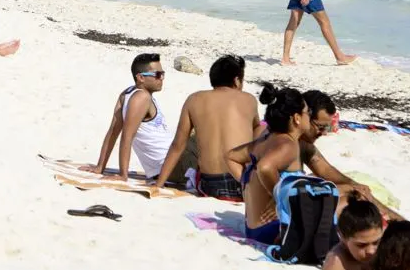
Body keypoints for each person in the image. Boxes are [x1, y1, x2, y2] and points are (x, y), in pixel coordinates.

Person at [155, 55, 260, 200]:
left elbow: (178, 145)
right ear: (236, 80)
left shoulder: (194, 99)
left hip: (210, 186)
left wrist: (159, 184)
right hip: (242, 184)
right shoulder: (249, 100)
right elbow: (258, 138)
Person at [83, 53, 196, 184]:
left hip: (172, 163)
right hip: (173, 167)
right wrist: (122, 175)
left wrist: (100, 166)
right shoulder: (142, 98)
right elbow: (127, 136)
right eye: (158, 75)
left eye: (163, 74)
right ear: (141, 77)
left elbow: (113, 132)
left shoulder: (127, 94)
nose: (162, 78)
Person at [226, 83, 311, 245]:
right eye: (308, 112)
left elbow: (231, 157)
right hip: (272, 230)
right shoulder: (288, 145)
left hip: (252, 228)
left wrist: (247, 184)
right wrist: (280, 197)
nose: (310, 116)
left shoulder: (265, 141)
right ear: (297, 118)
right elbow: (265, 167)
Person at [300, 90, 402, 222]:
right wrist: (349, 188)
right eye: (320, 127)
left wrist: (354, 184)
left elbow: (325, 170)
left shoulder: (303, 143)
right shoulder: (286, 145)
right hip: (288, 210)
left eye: (327, 128)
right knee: (354, 197)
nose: (324, 133)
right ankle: (398, 224)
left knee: (357, 190)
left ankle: (400, 223)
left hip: (297, 200)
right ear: (302, 118)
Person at [322, 193, 384, 270]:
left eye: (376, 242)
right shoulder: (337, 264)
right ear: (343, 237)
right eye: (361, 245)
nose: (371, 251)